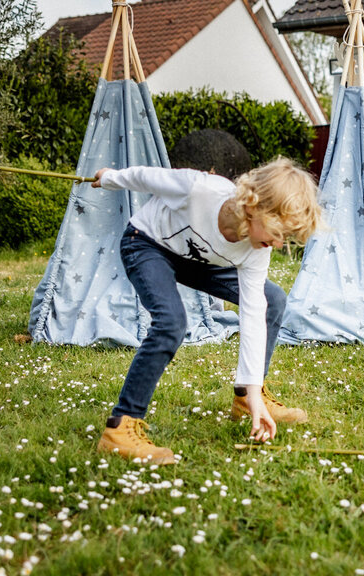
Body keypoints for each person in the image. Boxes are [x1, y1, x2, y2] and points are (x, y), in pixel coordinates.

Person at [91, 157, 323, 464]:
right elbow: (148, 178)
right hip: (147, 244)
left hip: (198, 262)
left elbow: (253, 317)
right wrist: (110, 177)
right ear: (253, 206)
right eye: (279, 232)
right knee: (171, 322)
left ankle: (246, 398)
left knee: (273, 299)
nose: (280, 244)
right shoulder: (200, 189)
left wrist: (253, 396)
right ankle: (120, 428)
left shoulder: (257, 248)